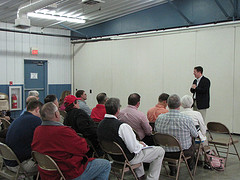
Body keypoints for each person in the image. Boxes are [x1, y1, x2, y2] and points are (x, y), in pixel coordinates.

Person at [32, 102, 110, 180]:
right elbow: (84, 148)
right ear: (56, 114)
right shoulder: (63, 131)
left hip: (46, 173)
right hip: (67, 173)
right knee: (105, 164)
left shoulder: (37, 130)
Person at [97, 98, 165, 180]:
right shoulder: (122, 126)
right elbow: (134, 149)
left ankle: (141, 176)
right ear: (118, 110)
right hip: (127, 158)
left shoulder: (100, 125)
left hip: (113, 156)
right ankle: (151, 178)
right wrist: (140, 145)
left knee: (137, 149)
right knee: (160, 151)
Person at [155, 94, 198, 176]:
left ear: (167, 104)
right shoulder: (186, 119)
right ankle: (190, 165)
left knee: (169, 142)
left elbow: (156, 132)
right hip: (182, 152)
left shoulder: (159, 118)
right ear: (180, 105)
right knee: (192, 142)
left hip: (164, 151)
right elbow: (195, 134)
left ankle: (173, 169)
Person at [5, 100, 43, 173]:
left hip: (9, 162)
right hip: (20, 165)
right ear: (37, 110)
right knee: (50, 165)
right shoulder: (36, 121)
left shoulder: (18, 119)